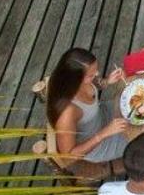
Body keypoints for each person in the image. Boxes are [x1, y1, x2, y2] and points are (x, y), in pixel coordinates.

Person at [45, 48, 130, 177]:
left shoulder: (74, 81)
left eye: (95, 71)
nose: (96, 74)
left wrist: (108, 81)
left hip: (103, 115)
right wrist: (103, 134)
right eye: (91, 75)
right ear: (75, 78)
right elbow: (69, 157)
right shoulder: (67, 114)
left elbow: (95, 84)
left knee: (141, 104)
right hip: (97, 144)